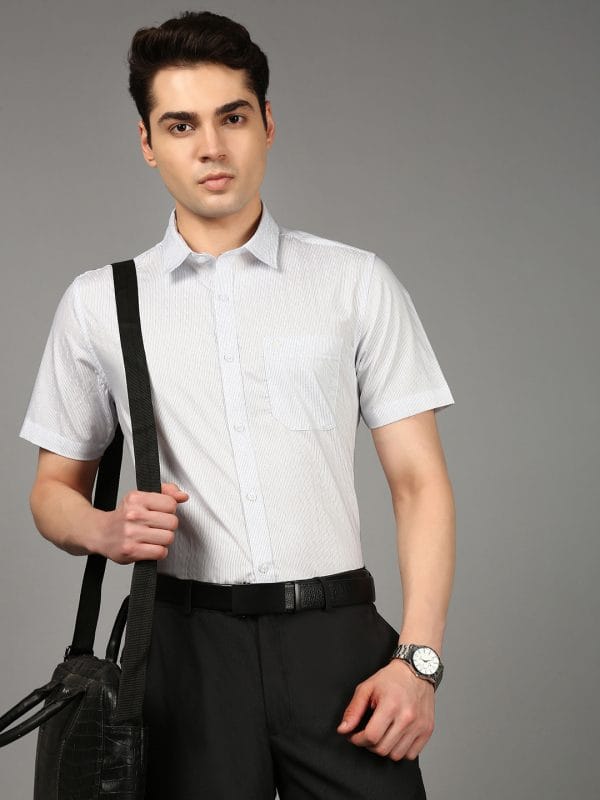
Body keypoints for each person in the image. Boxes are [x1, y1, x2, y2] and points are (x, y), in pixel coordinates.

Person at [19, 10, 456, 799]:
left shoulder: (354, 283)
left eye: (233, 117)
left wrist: (418, 662)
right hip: (184, 652)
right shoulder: (98, 303)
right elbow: (52, 493)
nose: (211, 147)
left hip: (338, 645)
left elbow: (419, 484)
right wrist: (104, 529)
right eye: (180, 125)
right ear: (147, 142)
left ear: (267, 124)